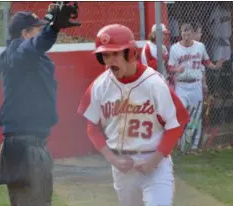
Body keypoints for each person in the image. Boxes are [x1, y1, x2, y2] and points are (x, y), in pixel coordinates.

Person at [78, 24, 190, 206]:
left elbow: (175, 124)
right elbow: (91, 128)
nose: (110, 60)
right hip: (122, 168)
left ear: (130, 53)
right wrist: (112, 159)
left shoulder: (154, 83)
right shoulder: (100, 86)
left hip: (155, 164)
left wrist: (153, 161)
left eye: (115, 53)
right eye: (105, 55)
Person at [0, 2, 80, 206]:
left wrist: (52, 28)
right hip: (26, 146)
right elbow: (34, 46)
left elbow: (34, 48)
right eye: (37, 29)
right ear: (25, 33)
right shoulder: (18, 52)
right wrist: (53, 29)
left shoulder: (20, 57)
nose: (41, 32)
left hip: (26, 143)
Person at [168, 23, 223, 151]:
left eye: (188, 34)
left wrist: (215, 66)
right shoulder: (175, 48)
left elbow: (205, 61)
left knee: (196, 115)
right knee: (180, 113)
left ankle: (193, 145)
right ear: (180, 33)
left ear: (192, 34)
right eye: (183, 33)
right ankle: (181, 143)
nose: (186, 36)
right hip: (181, 85)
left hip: (196, 84)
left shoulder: (200, 46)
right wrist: (177, 69)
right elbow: (170, 67)